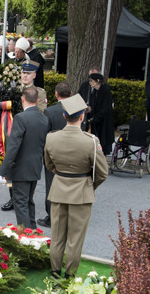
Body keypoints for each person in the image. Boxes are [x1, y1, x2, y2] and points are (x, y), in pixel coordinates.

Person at [44, 94, 108, 279]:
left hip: (58, 190)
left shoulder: (51, 138)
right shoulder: (90, 141)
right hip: (81, 192)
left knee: (57, 237)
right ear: (82, 117)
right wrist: (89, 185)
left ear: (64, 116)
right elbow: (102, 172)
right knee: (75, 239)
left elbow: (49, 166)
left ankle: (55, 272)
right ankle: (69, 276)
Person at [0, 87, 50, 230]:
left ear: (22, 99)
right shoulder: (44, 118)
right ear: (38, 100)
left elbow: (13, 147)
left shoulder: (21, 118)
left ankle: (26, 236)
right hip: (35, 167)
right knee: (28, 202)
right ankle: (33, 233)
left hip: (21, 168)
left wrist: (2, 171)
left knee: (20, 203)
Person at [41, 81, 72, 229]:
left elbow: (45, 134)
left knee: (52, 185)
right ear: (71, 94)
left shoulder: (50, 111)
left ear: (56, 94)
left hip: (54, 154)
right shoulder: (78, 109)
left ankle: (51, 217)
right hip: (73, 153)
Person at [86, 73, 114, 155]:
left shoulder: (105, 91)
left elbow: (106, 108)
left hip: (103, 121)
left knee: (103, 140)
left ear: (98, 81)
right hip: (96, 120)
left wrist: (96, 117)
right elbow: (92, 104)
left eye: (91, 81)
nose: (90, 83)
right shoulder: (94, 91)